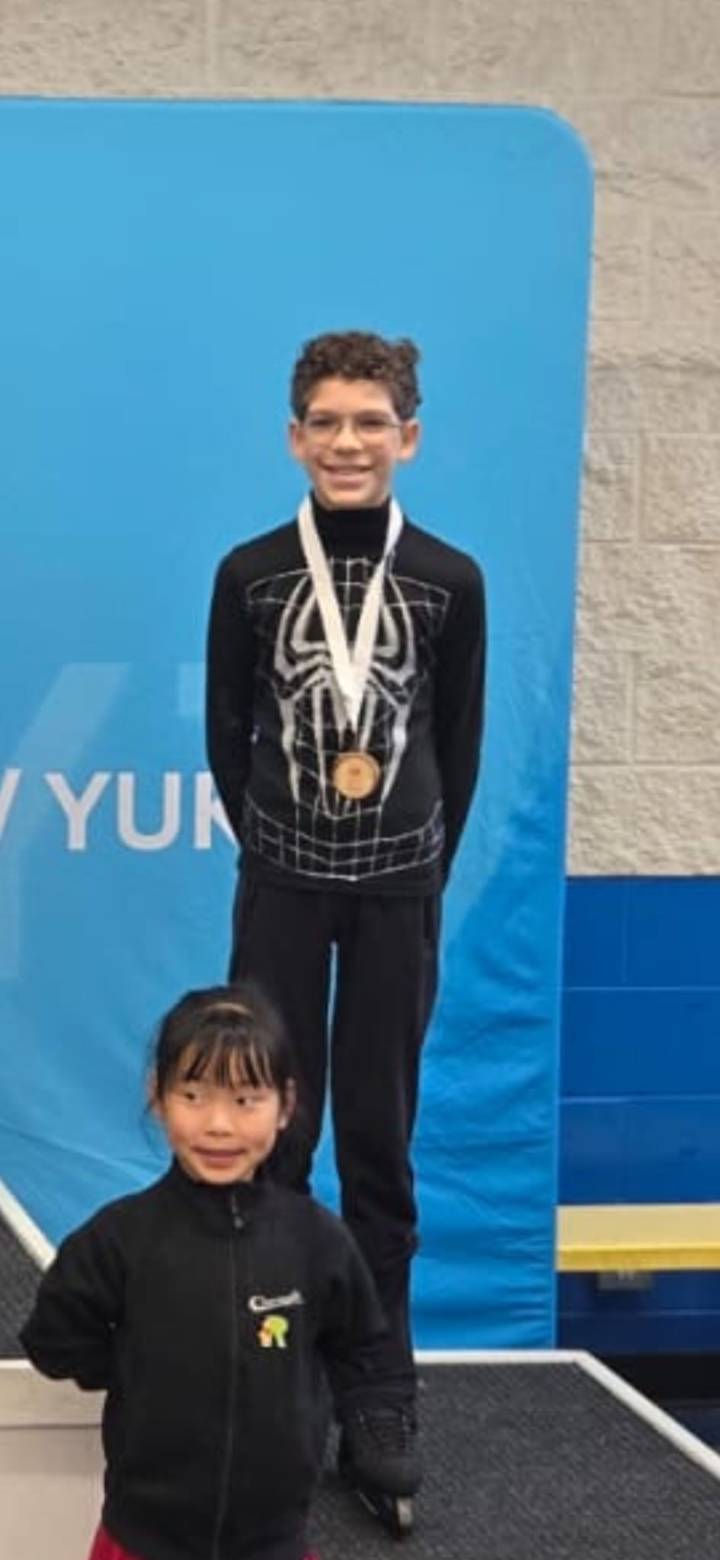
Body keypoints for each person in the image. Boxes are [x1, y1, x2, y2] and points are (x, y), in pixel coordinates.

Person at [205, 330, 486, 1516]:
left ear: (407, 436)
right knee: (272, 1129)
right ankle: (271, 1380)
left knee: (379, 1138)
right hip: (284, 881)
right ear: (294, 438)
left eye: (371, 422)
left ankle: (378, 1385)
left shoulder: (449, 580)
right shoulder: (254, 572)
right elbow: (229, 737)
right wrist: (280, 849)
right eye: (326, 421)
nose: (348, 441)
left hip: (397, 892)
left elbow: (456, 749)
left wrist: (408, 873)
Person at [21, 985, 388, 1560]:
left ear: (285, 1105)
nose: (218, 1125)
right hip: (142, 1537)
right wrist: (131, 1370)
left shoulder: (317, 1241)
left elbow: (361, 1347)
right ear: (158, 1098)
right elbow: (52, 1338)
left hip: (275, 1541)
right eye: (193, 1095)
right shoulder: (119, 1238)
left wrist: (311, 1411)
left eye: (245, 1100)